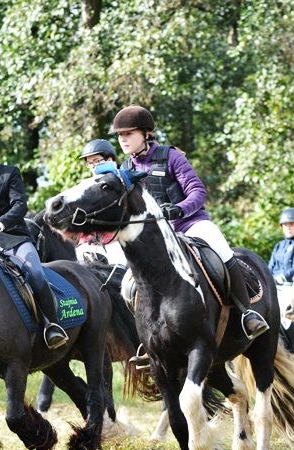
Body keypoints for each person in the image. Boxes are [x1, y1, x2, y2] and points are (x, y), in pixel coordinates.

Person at [111, 105, 270, 340]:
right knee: (128, 281)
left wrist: (179, 209)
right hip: (155, 237)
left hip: (189, 225)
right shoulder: (125, 169)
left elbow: (197, 191)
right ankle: (147, 337)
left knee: (221, 249)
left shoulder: (170, 157)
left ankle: (247, 313)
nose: (123, 139)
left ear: (145, 133)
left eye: (128, 133)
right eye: (120, 135)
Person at [0, 122, 69, 349]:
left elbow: (19, 206)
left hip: (13, 239)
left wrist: (0, 224)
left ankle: (52, 325)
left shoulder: (9, 173)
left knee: (35, 273)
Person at [75, 139, 127, 266]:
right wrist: (84, 243)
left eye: (97, 161)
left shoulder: (122, 181)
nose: (93, 166)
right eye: (89, 163)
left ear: (109, 160)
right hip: (91, 245)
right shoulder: (86, 186)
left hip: (118, 243)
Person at [268, 207, 294, 284]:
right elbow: (270, 267)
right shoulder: (279, 245)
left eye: (291, 224)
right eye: (285, 225)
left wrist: (282, 277)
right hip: (274, 283)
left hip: (291, 284)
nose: (288, 228)